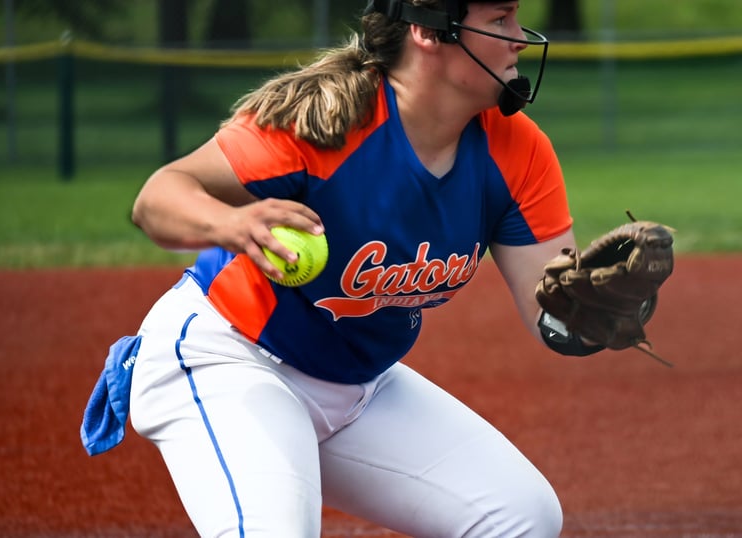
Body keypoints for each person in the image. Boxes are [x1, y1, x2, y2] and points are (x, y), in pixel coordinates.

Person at [85, 1, 607, 536]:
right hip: (230, 357)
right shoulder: (326, 120)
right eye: (499, 21)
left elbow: (556, 315)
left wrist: (601, 307)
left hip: (360, 388)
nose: (520, 37)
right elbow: (158, 197)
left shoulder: (517, 150)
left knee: (521, 516)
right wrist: (230, 225)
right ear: (429, 31)